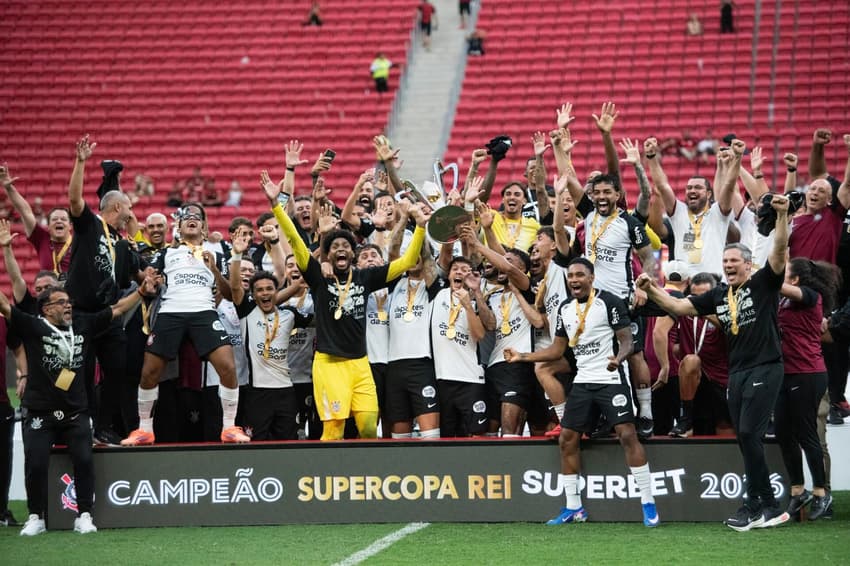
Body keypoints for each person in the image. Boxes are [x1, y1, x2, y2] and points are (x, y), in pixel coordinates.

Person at [637, 187, 793, 532]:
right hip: (737, 372)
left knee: (751, 433)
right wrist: (651, 290)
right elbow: (679, 307)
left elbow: (780, 250)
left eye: (734, 262)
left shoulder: (763, 283)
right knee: (743, 436)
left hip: (766, 366)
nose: (729, 267)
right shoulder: (720, 294)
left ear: (748, 264)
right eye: (725, 263)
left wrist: (782, 217)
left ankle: (762, 504)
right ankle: (759, 505)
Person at [267, 143, 429, 440]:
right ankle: (330, 482)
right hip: (329, 364)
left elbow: (406, 262)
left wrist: (419, 227)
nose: (341, 249)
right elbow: (296, 241)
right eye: (335, 247)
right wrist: (277, 206)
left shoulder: (366, 277)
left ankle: (365, 478)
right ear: (327, 255)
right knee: (334, 429)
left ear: (352, 254)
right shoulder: (318, 277)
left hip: (360, 363)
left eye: (346, 246)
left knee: (369, 427)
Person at [505, 258, 659, 527]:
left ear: (591, 277)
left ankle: (648, 504)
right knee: (567, 438)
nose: (574, 280)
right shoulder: (565, 308)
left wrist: (618, 359)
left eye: (579, 275)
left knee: (627, 434)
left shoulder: (609, 302)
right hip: (584, 381)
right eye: (570, 276)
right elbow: (556, 350)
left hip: (611, 378)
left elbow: (627, 340)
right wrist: (523, 356)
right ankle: (574, 507)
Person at [1, 279, 153, 535]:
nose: (68, 306)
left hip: (76, 411)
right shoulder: (33, 326)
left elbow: (116, 309)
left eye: (68, 301)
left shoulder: (83, 324)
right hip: (40, 412)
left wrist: (140, 292)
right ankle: (36, 516)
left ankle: (84, 515)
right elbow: (6, 306)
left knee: (83, 460)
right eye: (61, 303)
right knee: (36, 463)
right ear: (46, 309)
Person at [121, 203, 249, 445]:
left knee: (228, 368)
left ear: (203, 228)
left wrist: (213, 269)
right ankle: (144, 430)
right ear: (178, 228)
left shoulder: (217, 255)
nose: (192, 219)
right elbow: (148, 280)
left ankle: (229, 427)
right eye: (187, 218)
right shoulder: (165, 254)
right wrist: (148, 281)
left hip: (204, 312)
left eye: (197, 218)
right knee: (149, 372)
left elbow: (229, 294)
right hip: (171, 312)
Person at [65, 135, 146, 446]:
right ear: (116, 206)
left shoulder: (121, 242)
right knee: (82, 373)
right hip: (82, 313)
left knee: (117, 370)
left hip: (110, 316)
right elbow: (74, 201)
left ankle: (102, 426)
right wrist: (81, 162)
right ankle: (82, 425)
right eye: (128, 207)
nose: (131, 212)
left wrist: (147, 278)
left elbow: (134, 271)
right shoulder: (90, 226)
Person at [776, 258, 838, 520]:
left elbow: (777, 285)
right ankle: (798, 490)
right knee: (782, 432)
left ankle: (822, 493)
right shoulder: (784, 301)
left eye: (785, 271)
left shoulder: (811, 297)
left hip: (808, 372)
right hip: (785, 373)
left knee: (806, 433)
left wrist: (762, 274)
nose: (779, 273)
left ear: (796, 279)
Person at [1, 165, 74, 278]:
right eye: (54, 219)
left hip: (74, 294)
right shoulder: (42, 238)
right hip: (48, 293)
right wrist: (9, 188)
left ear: (70, 226)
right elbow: (25, 211)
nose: (59, 221)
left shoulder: (79, 243)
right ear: (48, 226)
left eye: (63, 219)